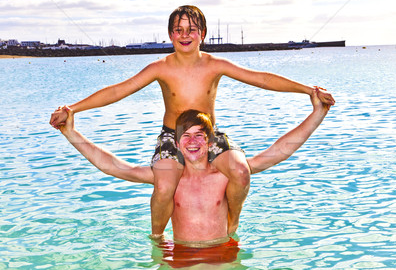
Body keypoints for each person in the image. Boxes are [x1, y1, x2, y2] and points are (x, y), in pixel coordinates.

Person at [50, 5, 335, 238]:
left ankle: (231, 223)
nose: (184, 35)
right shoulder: (159, 68)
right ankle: (158, 237)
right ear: (171, 35)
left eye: (191, 29)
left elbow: (261, 78)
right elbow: (117, 90)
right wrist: (74, 109)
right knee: (163, 186)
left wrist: (307, 90)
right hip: (173, 136)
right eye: (178, 30)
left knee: (242, 171)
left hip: (208, 133)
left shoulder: (215, 64)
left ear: (203, 34)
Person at [57, 88, 330, 246]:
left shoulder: (223, 176)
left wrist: (317, 113)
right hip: (183, 253)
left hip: (223, 250)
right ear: (176, 143)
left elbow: (280, 151)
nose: (193, 141)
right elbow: (114, 167)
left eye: (200, 135)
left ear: (210, 141)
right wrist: (70, 133)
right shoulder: (169, 178)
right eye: (186, 136)